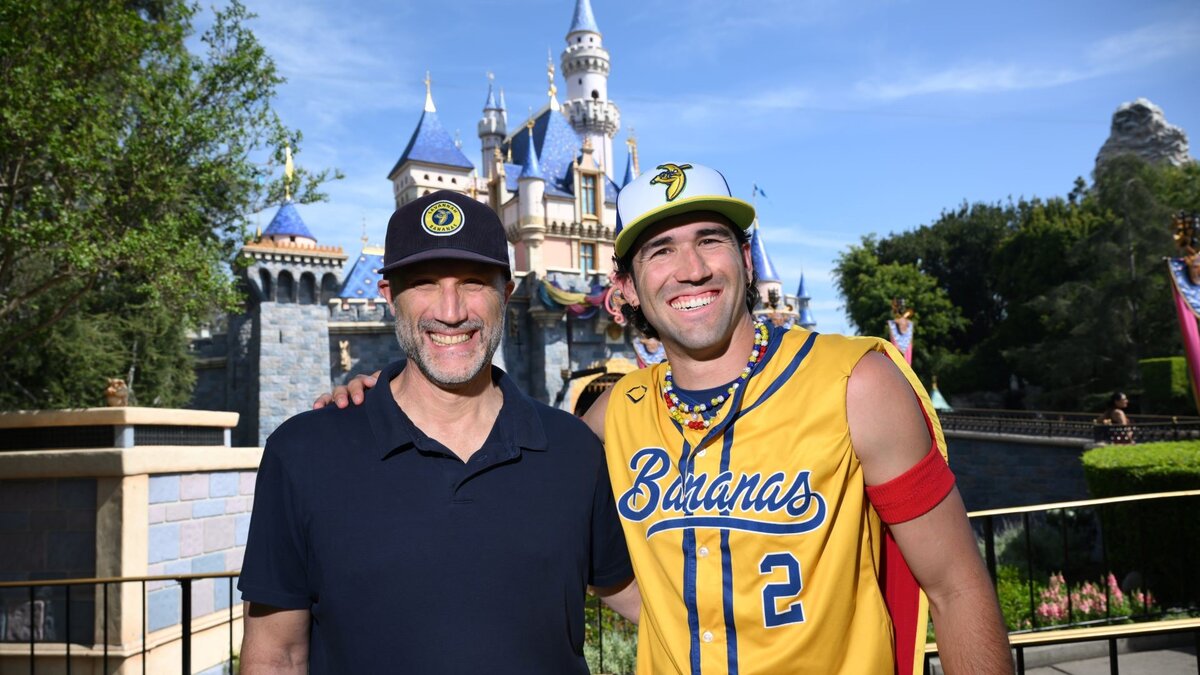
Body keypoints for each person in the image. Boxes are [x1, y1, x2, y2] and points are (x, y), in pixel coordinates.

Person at [320, 165, 1013, 674]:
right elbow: (495, 444)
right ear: (623, 290)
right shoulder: (608, 420)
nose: (690, 268)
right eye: (659, 250)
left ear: (745, 261)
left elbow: (957, 587)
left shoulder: (856, 382)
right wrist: (382, 392)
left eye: (710, 239)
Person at [240, 190, 637, 674]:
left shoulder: (572, 451)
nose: (451, 311)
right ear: (388, 296)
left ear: (506, 294)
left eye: (473, 283)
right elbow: (276, 656)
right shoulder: (304, 453)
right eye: (425, 283)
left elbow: (652, 601)